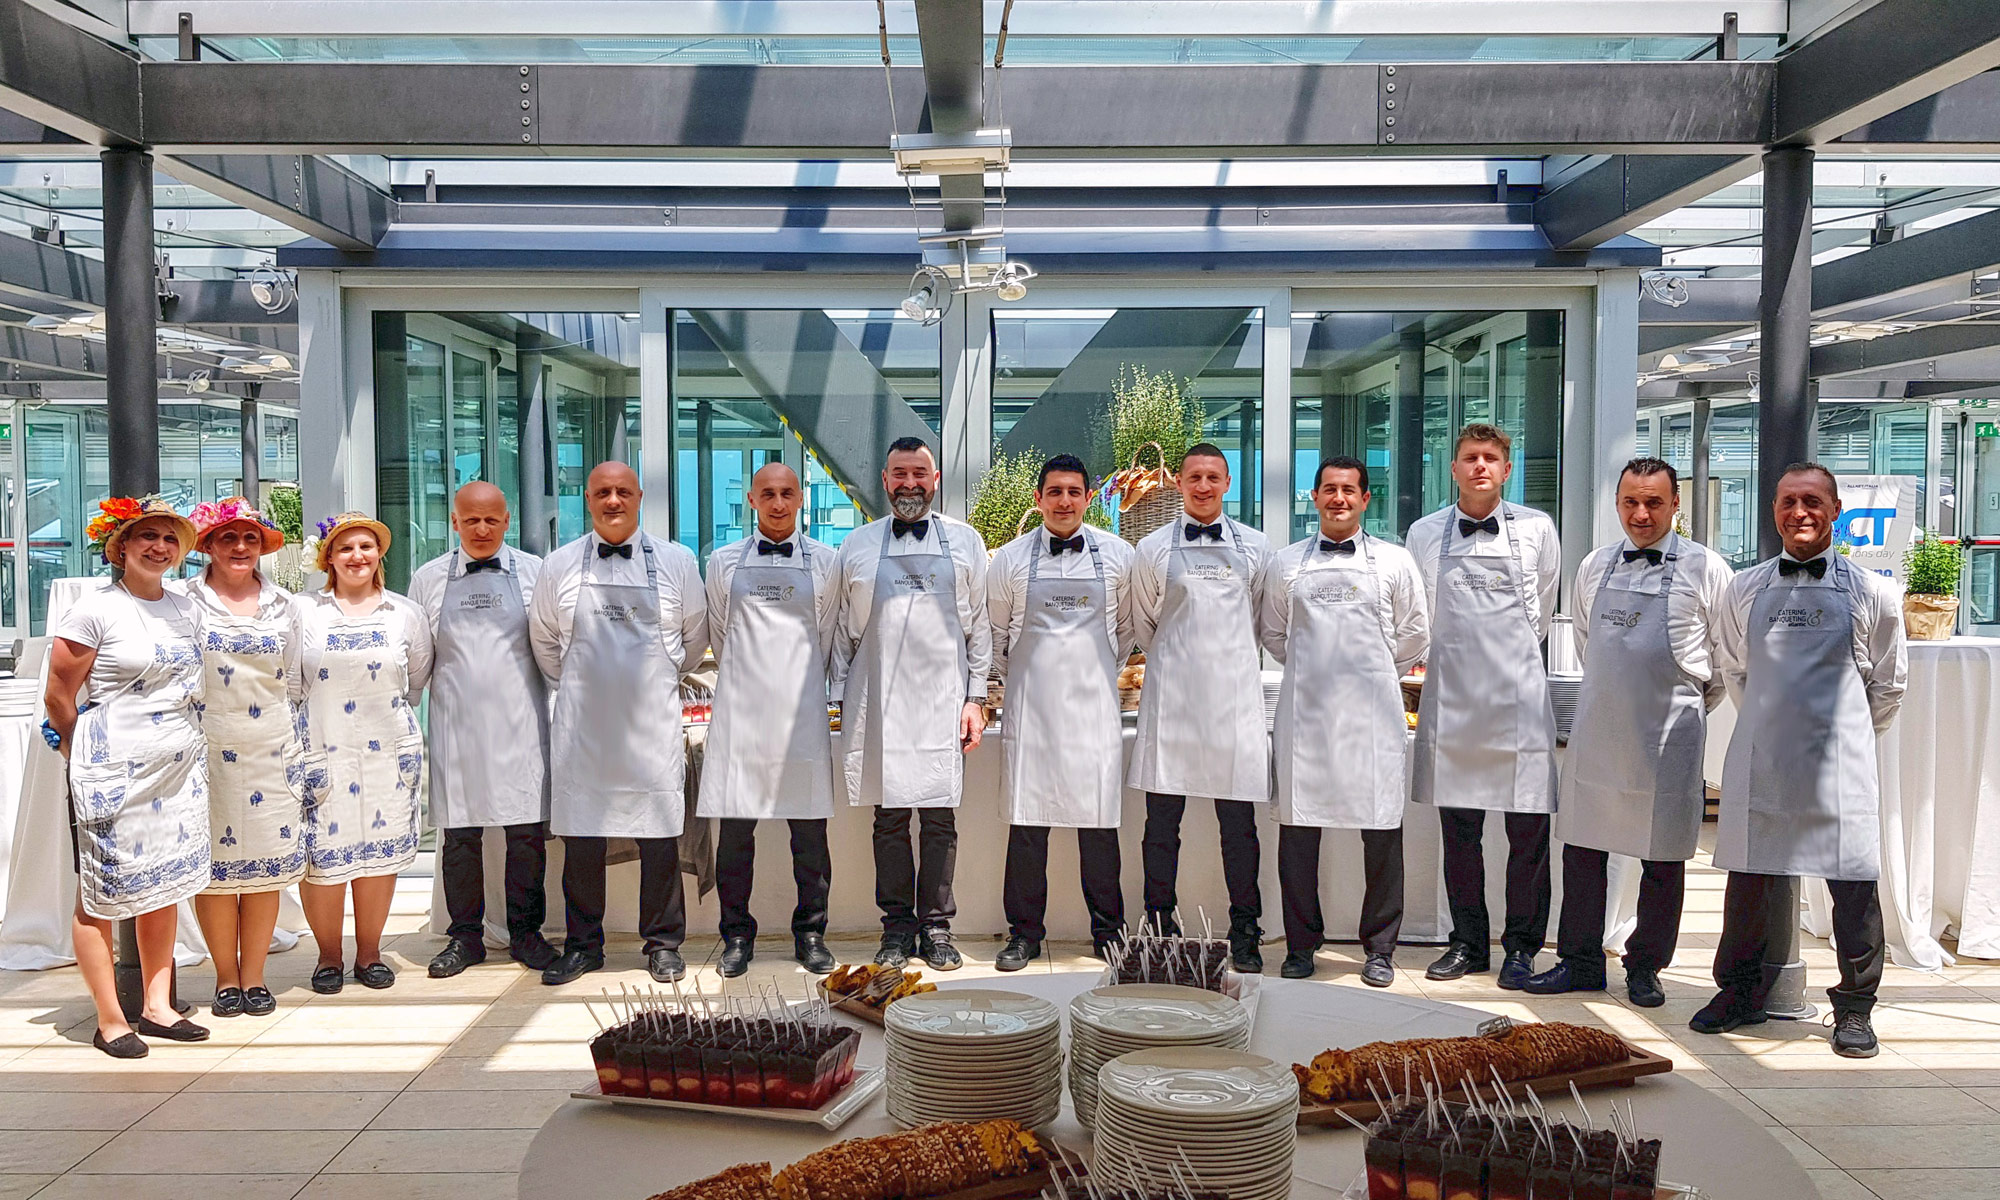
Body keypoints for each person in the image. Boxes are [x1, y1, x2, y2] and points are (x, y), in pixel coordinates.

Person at [1695, 462, 1905, 1058]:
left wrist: (1845, 737)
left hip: (1839, 764)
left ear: (1836, 510)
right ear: (1774, 511)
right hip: (1764, 757)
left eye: (1812, 501)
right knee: (1750, 880)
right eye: (1788, 502)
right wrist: (1772, 725)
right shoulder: (1744, 588)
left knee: (1853, 886)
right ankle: (1739, 993)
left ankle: (1856, 1008)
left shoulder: (1873, 593)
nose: (1800, 512)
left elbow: (1888, 686)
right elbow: (1735, 669)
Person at [1523, 459, 1732, 1007]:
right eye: (1630, 503)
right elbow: (1588, 643)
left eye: (1654, 503)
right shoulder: (1594, 566)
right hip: (1601, 728)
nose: (1641, 514)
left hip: (1668, 735)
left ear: (1676, 504)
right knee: (1583, 852)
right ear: (1617, 503)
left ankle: (1645, 966)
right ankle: (1580, 961)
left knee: (1662, 858)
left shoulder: (1708, 569)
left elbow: (1724, 659)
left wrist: (1683, 703)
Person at [530, 461, 707, 986]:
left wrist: (653, 679)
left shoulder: (677, 562)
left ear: (639, 497)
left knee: (660, 838)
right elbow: (544, 643)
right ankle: (584, 946)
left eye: (623, 491)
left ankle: (664, 944)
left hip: (651, 727)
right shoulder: (559, 565)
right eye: (603, 492)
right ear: (588, 499)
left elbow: (694, 640)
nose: (613, 501)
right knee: (582, 841)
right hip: (584, 730)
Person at [45, 497, 210, 1056]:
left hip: (176, 768)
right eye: (147, 536)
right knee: (101, 890)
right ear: (121, 546)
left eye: (168, 538)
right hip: (112, 770)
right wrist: (81, 752)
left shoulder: (186, 608)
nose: (159, 547)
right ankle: (110, 1018)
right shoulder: (94, 611)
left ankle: (158, 1006)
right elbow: (59, 696)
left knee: (162, 883)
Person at [1258, 456, 1427, 986]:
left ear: (1365, 499)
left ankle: (1379, 948)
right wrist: (1320, 671)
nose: (1338, 499)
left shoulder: (1395, 561)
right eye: (1329, 489)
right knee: (1298, 837)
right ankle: (1300, 945)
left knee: (1382, 834)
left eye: (1349, 490)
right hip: (1306, 718)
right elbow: (1274, 634)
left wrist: (1368, 673)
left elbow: (1415, 634)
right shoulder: (1285, 563)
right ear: (1314, 497)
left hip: (1372, 719)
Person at [1405, 423, 1562, 989]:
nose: (1479, 467)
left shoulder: (1538, 529)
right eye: (1470, 458)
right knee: (1460, 836)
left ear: (1506, 469)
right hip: (1453, 702)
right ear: (1453, 469)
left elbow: (1542, 608)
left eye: (1490, 459)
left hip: (1518, 703)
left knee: (1529, 839)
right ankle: (1468, 943)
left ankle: (1521, 948)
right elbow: (1420, 612)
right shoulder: (1424, 533)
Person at [831, 436, 990, 971]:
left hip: (943, 700)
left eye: (919, 474)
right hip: (879, 702)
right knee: (889, 819)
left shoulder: (966, 542)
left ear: (935, 480)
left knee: (940, 818)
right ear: (884, 480)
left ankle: (937, 927)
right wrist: (839, 700)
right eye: (900, 474)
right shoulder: (856, 546)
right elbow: (844, 633)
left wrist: (975, 697)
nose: (910, 483)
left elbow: (980, 629)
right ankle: (897, 929)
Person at [1128, 443, 1271, 971]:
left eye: (1214, 477)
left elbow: (1263, 621)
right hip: (1173, 702)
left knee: (1239, 828)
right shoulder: (1152, 548)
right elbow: (1145, 624)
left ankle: (1245, 929)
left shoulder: (1257, 547)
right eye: (1195, 478)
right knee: (1162, 825)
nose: (1204, 486)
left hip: (1233, 704)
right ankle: (1158, 924)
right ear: (1180, 484)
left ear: (1227, 483)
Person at [988, 454, 1135, 970]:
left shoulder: (1119, 556)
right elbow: (997, 636)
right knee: (1027, 828)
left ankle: (1109, 933)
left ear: (1089, 498)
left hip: (1094, 713)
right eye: (1055, 492)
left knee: (1099, 830)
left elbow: (1126, 633)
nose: (1065, 501)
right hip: (1032, 713)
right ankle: (1024, 935)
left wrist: (1089, 675)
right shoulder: (1008, 560)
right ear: (1039, 499)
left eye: (1074, 492)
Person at [409, 482, 556, 979]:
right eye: (471, 520)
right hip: (457, 727)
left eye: (491, 520)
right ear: (454, 522)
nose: (481, 529)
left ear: (507, 521)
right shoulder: (428, 579)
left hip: (521, 724)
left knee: (526, 837)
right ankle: (464, 937)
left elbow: (550, 647)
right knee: (460, 838)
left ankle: (527, 934)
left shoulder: (536, 573)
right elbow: (418, 656)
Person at [699, 463, 839, 979]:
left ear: (800, 499)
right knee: (735, 838)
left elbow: (827, 635)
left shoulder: (826, 562)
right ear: (752, 500)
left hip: (801, 715)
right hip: (741, 717)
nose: (778, 503)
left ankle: (811, 934)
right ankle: (736, 935)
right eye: (768, 494)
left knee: (810, 836)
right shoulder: (722, 563)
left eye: (787, 493)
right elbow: (720, 633)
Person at [295, 512, 432, 995]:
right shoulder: (304, 612)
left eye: (366, 547)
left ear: (379, 555)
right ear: (328, 558)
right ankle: (328, 956)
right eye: (346, 548)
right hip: (323, 746)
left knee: (380, 856)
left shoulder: (405, 613)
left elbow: (417, 677)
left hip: (386, 750)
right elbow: (290, 679)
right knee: (322, 856)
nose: (357, 556)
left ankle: (370, 953)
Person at [185, 497, 305, 1019]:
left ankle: (254, 977)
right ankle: (225, 979)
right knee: (215, 872)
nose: (240, 547)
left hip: (271, 749)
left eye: (250, 538)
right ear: (208, 546)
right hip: (207, 748)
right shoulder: (185, 601)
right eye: (228, 538)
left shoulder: (285, 605)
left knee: (263, 869)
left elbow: (294, 678)